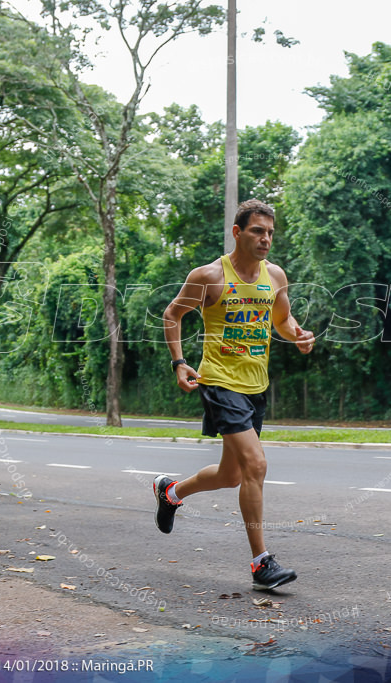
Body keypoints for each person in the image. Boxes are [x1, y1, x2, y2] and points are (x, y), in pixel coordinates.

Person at [157, 199, 315, 591]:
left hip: (255, 385)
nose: (266, 239)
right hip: (219, 382)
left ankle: (171, 492)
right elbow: (172, 315)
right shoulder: (209, 276)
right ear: (237, 232)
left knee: (231, 475)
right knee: (256, 466)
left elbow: (281, 320)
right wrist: (180, 362)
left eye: (270, 233)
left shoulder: (275, 276)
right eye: (258, 231)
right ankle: (262, 562)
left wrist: (297, 335)